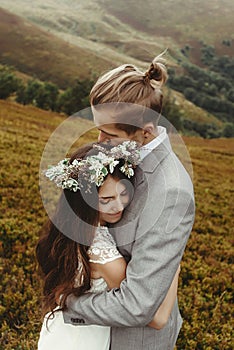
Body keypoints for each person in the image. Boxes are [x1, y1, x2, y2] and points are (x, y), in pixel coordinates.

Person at [63, 52, 195, 349]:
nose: (98, 142)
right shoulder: (123, 155)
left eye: (107, 135)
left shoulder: (171, 193)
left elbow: (139, 305)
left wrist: (66, 304)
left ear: (145, 133)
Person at [37, 141, 181, 350]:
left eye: (124, 194)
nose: (119, 205)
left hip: (59, 333)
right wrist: (172, 265)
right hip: (83, 343)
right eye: (106, 199)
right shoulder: (105, 258)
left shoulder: (68, 230)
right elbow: (156, 318)